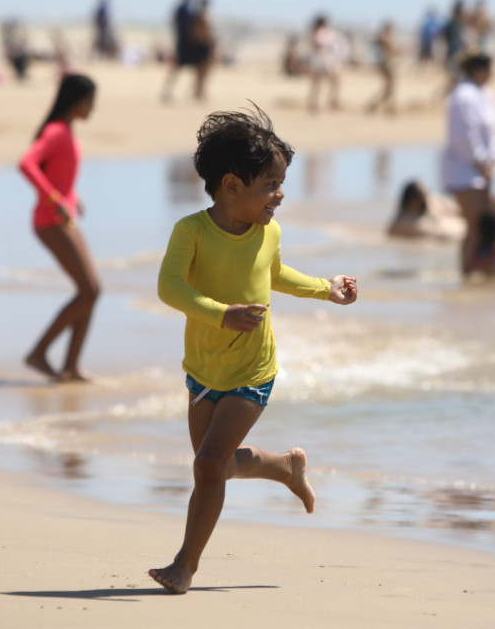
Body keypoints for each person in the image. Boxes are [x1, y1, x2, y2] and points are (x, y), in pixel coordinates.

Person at [148, 106, 358, 594]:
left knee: (206, 466)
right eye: (270, 184)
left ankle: (185, 565)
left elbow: (275, 275)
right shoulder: (191, 232)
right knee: (216, 466)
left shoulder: (269, 232)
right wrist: (221, 314)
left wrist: (326, 288)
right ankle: (285, 468)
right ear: (231, 186)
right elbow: (168, 287)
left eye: (281, 183)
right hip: (203, 370)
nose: (280, 194)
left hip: (252, 370)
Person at [19, 74, 99, 382]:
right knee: (90, 290)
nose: (92, 107)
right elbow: (26, 163)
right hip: (49, 222)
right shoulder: (55, 131)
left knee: (89, 291)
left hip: (62, 218)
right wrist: (55, 198)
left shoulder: (65, 130)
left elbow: (57, 172)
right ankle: (38, 354)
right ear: (76, 101)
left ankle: (71, 366)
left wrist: (71, 197)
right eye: (90, 101)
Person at [442, 53, 495, 275]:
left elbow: (493, 131)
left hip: (484, 168)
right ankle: (466, 274)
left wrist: (492, 160)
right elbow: (465, 135)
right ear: (478, 69)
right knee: (474, 226)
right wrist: (481, 162)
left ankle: (483, 270)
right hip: (463, 169)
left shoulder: (485, 93)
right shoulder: (463, 96)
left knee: (486, 224)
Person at [386, 179, 465, 240]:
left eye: (425, 196)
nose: (424, 201)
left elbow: (458, 210)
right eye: (421, 198)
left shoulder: (433, 203)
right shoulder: (402, 221)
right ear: (411, 201)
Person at [160, 0, 199, 103]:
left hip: (187, 42)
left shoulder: (189, 8)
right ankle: (167, 92)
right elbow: (178, 23)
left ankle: (195, 92)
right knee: (176, 68)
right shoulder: (183, 7)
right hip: (183, 43)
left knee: (190, 69)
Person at [306, 14, 341, 113]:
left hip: (321, 60)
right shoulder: (324, 32)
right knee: (327, 82)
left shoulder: (316, 32)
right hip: (324, 60)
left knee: (318, 83)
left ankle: (316, 104)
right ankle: (330, 103)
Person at [366, 21, 397, 115]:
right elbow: (390, 50)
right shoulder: (385, 38)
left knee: (389, 88)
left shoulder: (382, 38)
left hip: (385, 64)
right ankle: (383, 106)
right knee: (389, 87)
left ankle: (379, 105)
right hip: (386, 64)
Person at [187, 0, 215, 101]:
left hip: (202, 45)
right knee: (201, 71)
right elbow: (199, 32)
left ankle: (199, 92)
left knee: (202, 72)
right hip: (202, 46)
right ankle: (198, 92)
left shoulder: (201, 15)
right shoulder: (201, 16)